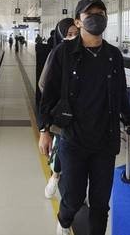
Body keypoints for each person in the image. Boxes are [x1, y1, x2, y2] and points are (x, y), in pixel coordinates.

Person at [39, 0, 130, 235]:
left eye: (101, 14)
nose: (97, 18)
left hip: (105, 141)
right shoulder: (63, 53)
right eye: (90, 14)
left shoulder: (113, 55)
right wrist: (44, 131)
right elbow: (48, 95)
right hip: (73, 139)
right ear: (78, 21)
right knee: (73, 197)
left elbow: (119, 94)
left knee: (100, 203)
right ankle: (64, 222)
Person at [37, 18, 79, 200]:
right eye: (69, 35)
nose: (73, 38)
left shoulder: (86, 53)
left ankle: (75, 186)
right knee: (62, 146)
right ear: (61, 35)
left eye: (76, 34)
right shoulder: (56, 54)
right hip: (63, 114)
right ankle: (55, 176)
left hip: (83, 114)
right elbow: (43, 84)